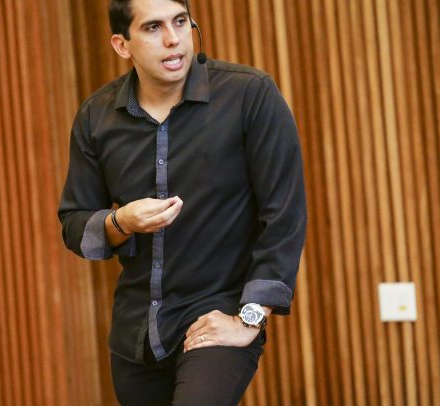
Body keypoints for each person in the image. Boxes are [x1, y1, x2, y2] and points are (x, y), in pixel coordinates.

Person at [57, 0, 306, 403]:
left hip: (215, 319)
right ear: (122, 45)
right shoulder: (96, 117)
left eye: (180, 22)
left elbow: (284, 213)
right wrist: (121, 222)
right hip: (136, 335)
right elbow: (74, 226)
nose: (174, 39)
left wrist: (250, 319)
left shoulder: (249, 95)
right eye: (153, 28)